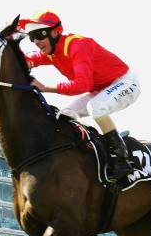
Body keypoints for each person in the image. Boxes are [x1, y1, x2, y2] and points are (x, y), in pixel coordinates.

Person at [19, 11, 140, 179]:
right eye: (32, 37)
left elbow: (83, 85)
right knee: (65, 115)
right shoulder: (52, 51)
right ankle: (90, 152)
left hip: (125, 82)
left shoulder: (77, 46)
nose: (36, 41)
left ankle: (122, 159)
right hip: (101, 90)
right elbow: (31, 58)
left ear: (55, 32)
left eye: (40, 34)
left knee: (95, 107)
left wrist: (46, 88)